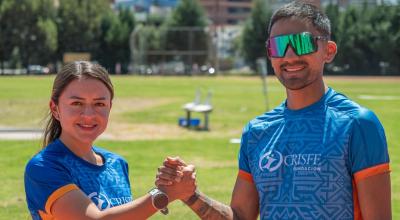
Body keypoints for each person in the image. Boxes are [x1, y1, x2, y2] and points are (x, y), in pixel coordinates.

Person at [156, 1, 391, 219]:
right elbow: (240, 217)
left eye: (301, 42)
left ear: (328, 51)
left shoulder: (357, 124)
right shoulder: (257, 132)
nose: (289, 55)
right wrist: (189, 195)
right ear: (270, 54)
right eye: (278, 46)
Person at [24, 61, 196, 219]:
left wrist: (170, 185)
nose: (89, 115)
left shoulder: (116, 163)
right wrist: (164, 195)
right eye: (77, 103)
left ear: (109, 107)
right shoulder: (44, 167)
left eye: (99, 104)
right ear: (55, 109)